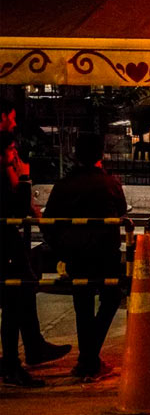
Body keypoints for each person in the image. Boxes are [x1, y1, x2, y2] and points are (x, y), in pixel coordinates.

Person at [43, 133, 126, 381]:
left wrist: (61, 249)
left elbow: (49, 222)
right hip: (105, 253)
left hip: (76, 254)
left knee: (83, 305)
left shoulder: (64, 185)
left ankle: (88, 359)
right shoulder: (110, 183)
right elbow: (121, 210)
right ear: (100, 154)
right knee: (111, 297)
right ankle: (88, 358)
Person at [1, 120, 70, 387]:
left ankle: (31, 347)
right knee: (14, 301)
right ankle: (12, 365)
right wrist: (24, 178)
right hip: (6, 246)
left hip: (11, 245)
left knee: (23, 291)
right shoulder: (4, 176)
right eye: (11, 150)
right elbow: (16, 208)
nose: (15, 155)